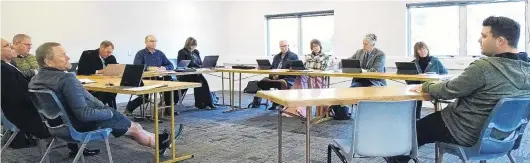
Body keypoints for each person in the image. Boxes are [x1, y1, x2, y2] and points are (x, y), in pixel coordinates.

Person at [385, 16, 530, 163]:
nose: (479, 40)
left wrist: (424, 86)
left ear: (500, 41)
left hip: (465, 131)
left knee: (412, 132)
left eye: (484, 36)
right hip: (506, 135)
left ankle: (394, 158)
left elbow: (447, 91)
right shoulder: (527, 69)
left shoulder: (484, 67)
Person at [29, 42, 175, 155]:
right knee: (135, 128)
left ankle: (159, 138)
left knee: (129, 127)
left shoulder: (34, 81)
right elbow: (84, 114)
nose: (68, 57)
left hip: (55, 128)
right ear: (48, 61)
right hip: (77, 126)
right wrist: (109, 113)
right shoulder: (66, 79)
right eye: (62, 54)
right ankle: (160, 143)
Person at [1, 38, 100, 157]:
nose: (11, 47)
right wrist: (42, 97)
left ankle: (77, 149)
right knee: (72, 109)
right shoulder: (3, 69)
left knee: (64, 104)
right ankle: (80, 144)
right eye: (7, 45)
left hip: (22, 114)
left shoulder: (9, 65)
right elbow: (17, 99)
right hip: (28, 118)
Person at [125, 35, 176, 115]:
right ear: (146, 42)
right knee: (145, 97)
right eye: (151, 41)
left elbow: (171, 65)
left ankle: (168, 109)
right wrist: (149, 68)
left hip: (159, 78)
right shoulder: (140, 54)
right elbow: (137, 66)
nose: (154, 43)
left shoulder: (159, 53)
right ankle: (129, 107)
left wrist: (164, 68)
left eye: (155, 41)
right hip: (146, 79)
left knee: (170, 87)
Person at [285, 39, 330, 118]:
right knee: (300, 76)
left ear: (320, 46)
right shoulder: (307, 56)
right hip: (307, 76)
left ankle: (300, 107)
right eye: (313, 46)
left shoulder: (325, 56)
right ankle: (299, 106)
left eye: (317, 46)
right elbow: (303, 67)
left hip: (319, 77)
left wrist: (312, 70)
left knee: (302, 79)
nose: (315, 48)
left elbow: (324, 68)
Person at [409, 41, 448, 119]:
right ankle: (415, 119)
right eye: (419, 50)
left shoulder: (435, 61)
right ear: (416, 52)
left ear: (427, 49)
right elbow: (409, 79)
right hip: (417, 88)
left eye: (424, 49)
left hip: (432, 87)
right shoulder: (414, 63)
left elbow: (445, 74)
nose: (422, 51)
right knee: (414, 95)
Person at [256, 40, 299, 110]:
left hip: (287, 78)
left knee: (281, 82)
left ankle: (280, 103)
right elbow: (272, 68)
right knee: (263, 81)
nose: (283, 48)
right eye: (281, 46)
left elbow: (295, 69)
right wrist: (263, 67)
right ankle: (273, 99)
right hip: (275, 77)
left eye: (285, 46)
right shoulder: (276, 57)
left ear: (288, 46)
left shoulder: (293, 56)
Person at [176, 37, 216, 109]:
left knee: (203, 82)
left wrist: (204, 66)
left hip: (196, 73)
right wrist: (197, 67)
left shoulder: (196, 52)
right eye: (191, 45)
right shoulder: (182, 52)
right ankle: (201, 103)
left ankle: (207, 103)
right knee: (201, 81)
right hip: (186, 75)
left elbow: (200, 62)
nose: (193, 47)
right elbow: (183, 65)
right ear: (187, 45)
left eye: (194, 45)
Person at [77, 40, 118, 108]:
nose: (109, 54)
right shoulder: (88, 55)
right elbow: (82, 70)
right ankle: (100, 108)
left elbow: (115, 69)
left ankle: (108, 109)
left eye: (111, 52)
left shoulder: (111, 57)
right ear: (101, 48)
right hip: (92, 83)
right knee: (104, 93)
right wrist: (99, 71)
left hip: (107, 82)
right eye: (108, 52)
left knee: (112, 91)